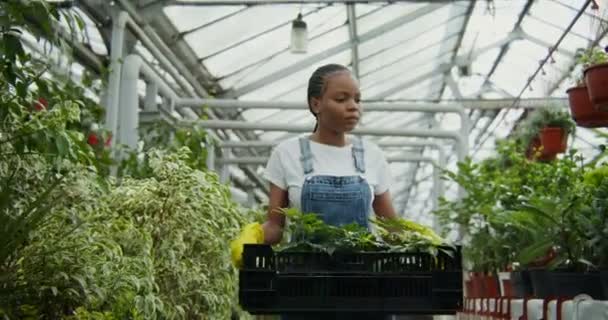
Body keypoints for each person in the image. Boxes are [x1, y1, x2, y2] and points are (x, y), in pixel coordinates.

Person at [232, 63, 398, 319]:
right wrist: (252, 236)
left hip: (364, 290)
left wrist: (430, 248)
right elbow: (276, 226)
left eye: (357, 99)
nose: (353, 106)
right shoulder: (288, 154)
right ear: (316, 104)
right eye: (341, 99)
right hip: (303, 289)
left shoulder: (372, 156)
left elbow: (391, 227)